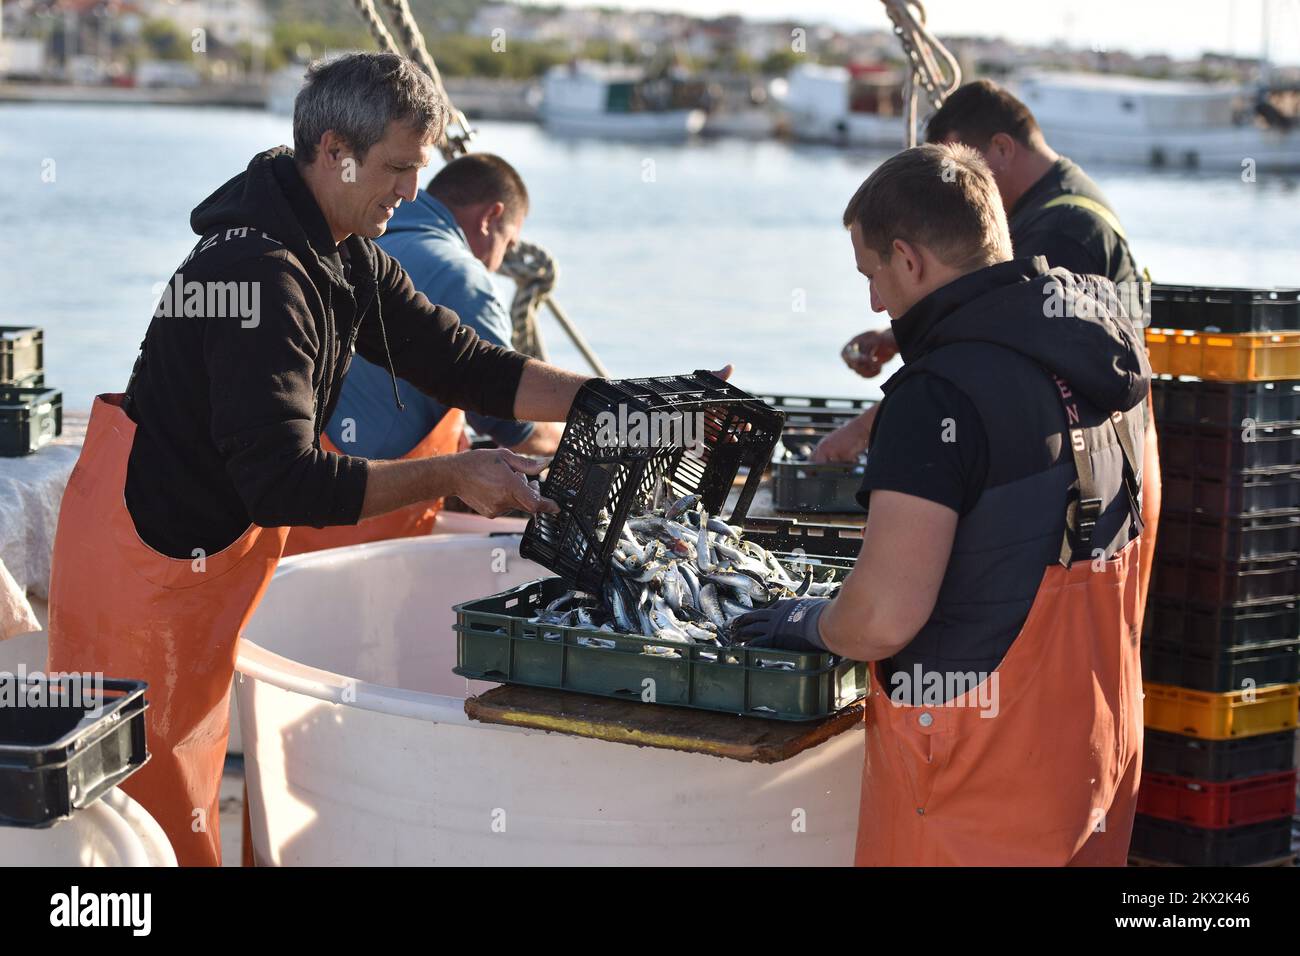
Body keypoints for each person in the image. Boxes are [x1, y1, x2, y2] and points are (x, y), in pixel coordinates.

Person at [45, 52, 593, 866]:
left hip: (200, 565)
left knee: (189, 808)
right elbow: (283, 481)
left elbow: (464, 364)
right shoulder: (259, 276)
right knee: (134, 835)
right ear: (335, 151)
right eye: (397, 168)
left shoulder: (343, 249)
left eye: (417, 168)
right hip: (142, 579)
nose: (412, 190)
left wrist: (615, 402)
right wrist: (452, 474)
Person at [735, 143, 1151, 865]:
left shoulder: (937, 395)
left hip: (976, 784)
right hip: (1097, 755)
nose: (875, 302)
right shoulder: (1096, 356)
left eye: (871, 274)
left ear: (908, 259)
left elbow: (880, 619)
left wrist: (808, 622)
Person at [818, 78, 1145, 461]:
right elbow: (1003, 313)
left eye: (957, 169)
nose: (948, 190)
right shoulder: (1054, 200)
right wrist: (895, 336)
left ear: (1002, 148)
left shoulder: (1062, 232)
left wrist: (862, 432)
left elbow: (999, 358)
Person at [283, 153, 563, 554]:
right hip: (354, 528)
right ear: (491, 217)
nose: (500, 262)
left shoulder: (358, 240)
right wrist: (574, 434)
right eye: (508, 244)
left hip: (287, 520)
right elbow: (508, 420)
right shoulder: (464, 279)